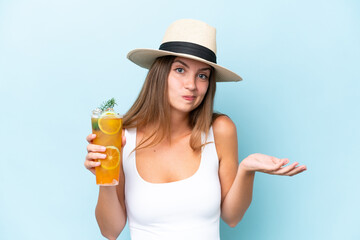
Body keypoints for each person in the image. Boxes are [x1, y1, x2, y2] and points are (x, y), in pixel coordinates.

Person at [84, 19, 307, 240]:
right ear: (160, 74)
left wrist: (246, 170)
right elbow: (110, 231)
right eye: (180, 70)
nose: (191, 84)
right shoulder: (122, 136)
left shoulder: (220, 130)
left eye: (202, 75)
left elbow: (232, 217)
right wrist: (105, 178)